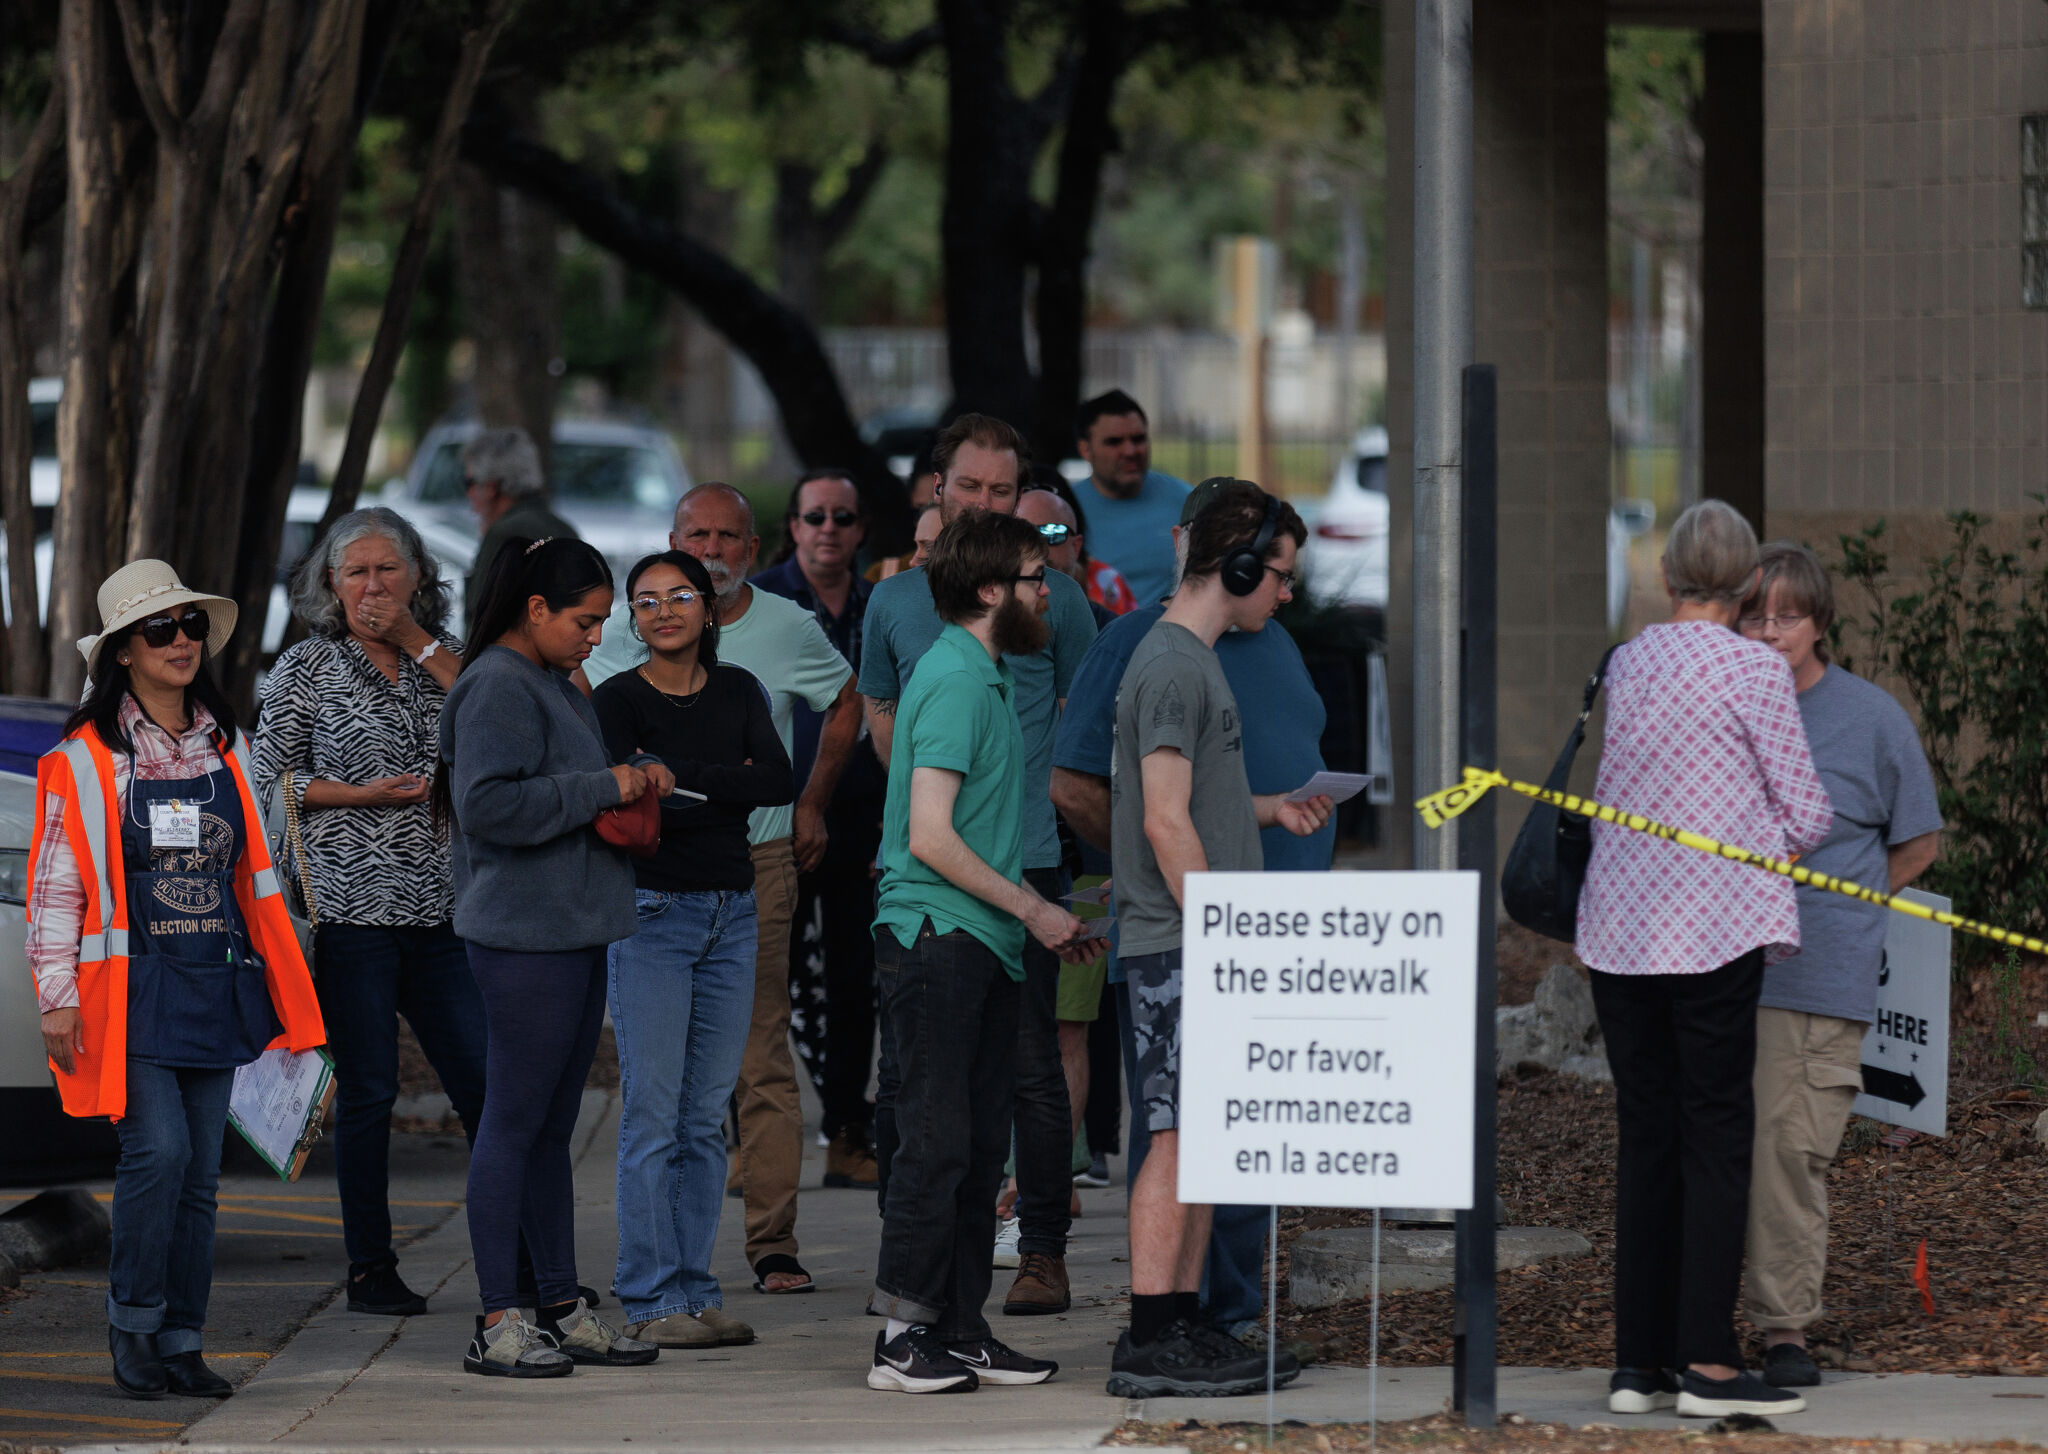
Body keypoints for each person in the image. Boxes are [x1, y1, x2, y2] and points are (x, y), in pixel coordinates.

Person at [1050, 476, 1339, 1344]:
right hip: (1186, 941)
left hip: (1202, 936)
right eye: (1280, 573)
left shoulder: (1196, 658)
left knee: (1206, 1139)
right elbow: (1162, 816)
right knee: (1176, 1139)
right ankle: (1157, 1329)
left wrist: (1270, 809)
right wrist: (1223, 928)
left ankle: (1193, 1323)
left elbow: (1191, 797)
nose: (1288, 592)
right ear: (1240, 564)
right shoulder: (1173, 664)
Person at [30, 561, 326, 1400]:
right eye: (161, 628)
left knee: (199, 1172)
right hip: (134, 994)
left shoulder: (230, 747)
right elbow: (57, 890)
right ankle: (133, 1327)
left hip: (219, 984)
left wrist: (284, 982)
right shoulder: (83, 760)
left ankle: (182, 1340)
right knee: (157, 1154)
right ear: (122, 651)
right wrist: (57, 997)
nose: (183, 640)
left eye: (191, 624)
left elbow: (257, 880)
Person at [1576, 500, 1833, 1421]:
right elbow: (1806, 813)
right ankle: (1710, 1365)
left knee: (1647, 1135)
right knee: (1718, 1135)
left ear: (1667, 574)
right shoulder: (1755, 670)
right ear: (1750, 581)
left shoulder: (1627, 662)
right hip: (1714, 928)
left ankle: (1637, 1365)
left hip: (1619, 931)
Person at [583, 483, 859, 1295]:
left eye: (726, 539)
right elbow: (603, 755)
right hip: (650, 893)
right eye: (693, 537)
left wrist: (801, 798)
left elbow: (806, 741)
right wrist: (687, 782)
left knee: (740, 1078)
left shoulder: (767, 652)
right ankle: (652, 1283)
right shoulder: (618, 677)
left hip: (751, 879)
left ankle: (753, 1252)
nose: (709, 553)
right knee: (657, 1102)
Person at [860, 414, 1098, 1317]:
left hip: (1006, 886)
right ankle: (909, 1321)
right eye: (976, 489)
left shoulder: (1006, 651)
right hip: (945, 899)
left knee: (999, 1098)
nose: (1051, 585)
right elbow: (923, 815)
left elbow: (1077, 723)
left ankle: (980, 1303)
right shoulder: (947, 663)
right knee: (931, 1124)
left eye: (1008, 493)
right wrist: (1032, 907)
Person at [439, 536, 665, 1378]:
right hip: (523, 939)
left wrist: (628, 774)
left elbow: (559, 780)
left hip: (568, 932)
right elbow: (489, 805)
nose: (596, 636)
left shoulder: (545, 681)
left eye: (602, 621)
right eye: (585, 619)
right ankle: (499, 1319)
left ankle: (561, 1307)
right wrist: (609, 786)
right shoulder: (497, 682)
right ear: (535, 609)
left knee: (549, 1128)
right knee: (513, 1123)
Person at [256, 508, 475, 1318]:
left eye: (390, 571)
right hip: (351, 916)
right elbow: (268, 781)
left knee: (486, 1088)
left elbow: (496, 719)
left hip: (446, 913)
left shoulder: (446, 666)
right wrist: (362, 794)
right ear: (330, 586)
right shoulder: (307, 669)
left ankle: (526, 1263)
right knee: (372, 1095)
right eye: (357, 573)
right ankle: (370, 1268)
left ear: (420, 580)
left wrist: (420, 642)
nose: (374, 587)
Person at [1737, 543, 1941, 1389]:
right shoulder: (1725, 701)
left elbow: (1919, 841)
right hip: (1715, 972)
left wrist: (1853, 906)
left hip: (1818, 981)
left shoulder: (1870, 717)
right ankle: (1693, 1324)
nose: (1771, 629)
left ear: (1821, 620)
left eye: (1788, 613)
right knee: (1715, 1151)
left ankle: (1785, 1329)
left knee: (1788, 1156)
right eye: (1755, 612)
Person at [594, 551, 794, 1350]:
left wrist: (678, 780)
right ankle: (648, 1299)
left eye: (680, 596)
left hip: (732, 913)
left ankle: (695, 1287)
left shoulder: (742, 690)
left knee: (706, 1116)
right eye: (645, 602)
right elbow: (627, 807)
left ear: (711, 609)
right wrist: (710, 786)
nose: (664, 611)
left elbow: (776, 781)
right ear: (631, 620)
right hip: (652, 914)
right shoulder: (615, 700)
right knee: (652, 1113)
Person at [754, 469, 888, 1189]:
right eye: (815, 517)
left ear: (861, 529)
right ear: (794, 527)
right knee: (758, 985)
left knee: (854, 984)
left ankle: (846, 1133)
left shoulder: (883, 604)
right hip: (775, 817)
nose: (829, 528)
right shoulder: (761, 601)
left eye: (843, 516)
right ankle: (751, 1142)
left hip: (863, 819)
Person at [1072, 390, 1189, 607]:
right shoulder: (1066, 510)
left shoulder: (1186, 502)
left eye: (1138, 439)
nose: (1129, 451)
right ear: (1085, 449)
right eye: (1114, 442)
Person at [461, 427, 577, 613]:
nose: (468, 494)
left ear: (490, 487)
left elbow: (481, 616)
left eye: (468, 483)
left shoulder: (503, 534)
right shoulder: (564, 529)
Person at [1022, 477, 1136, 618]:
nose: (1038, 547)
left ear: (1076, 546)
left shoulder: (1109, 629)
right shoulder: (990, 626)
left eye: (1052, 533)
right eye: (1023, 535)